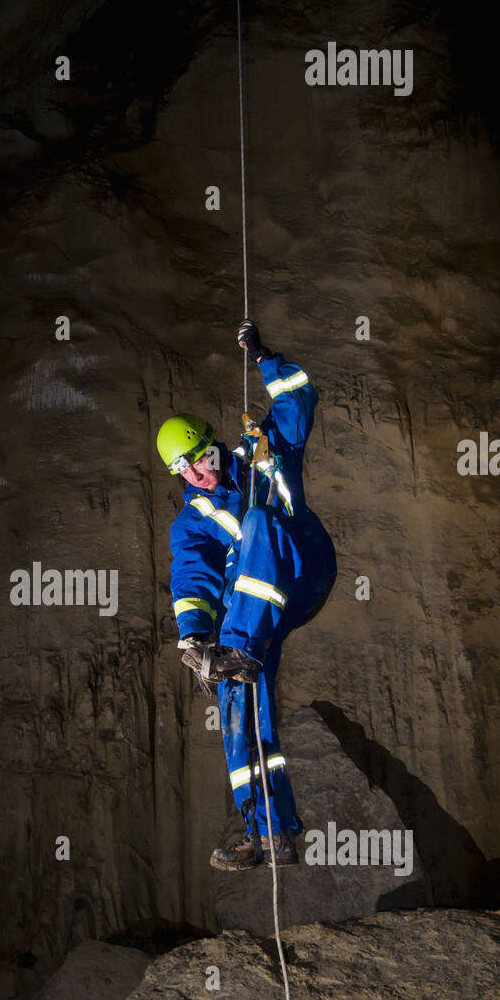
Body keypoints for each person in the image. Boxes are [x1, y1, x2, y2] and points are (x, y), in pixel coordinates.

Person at [156, 320, 336, 870]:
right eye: (185, 470)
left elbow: (299, 399)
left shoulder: (264, 454)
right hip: (259, 610)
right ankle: (269, 833)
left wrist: (264, 359)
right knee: (235, 694)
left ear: (215, 445)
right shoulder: (191, 521)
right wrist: (192, 638)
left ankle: (239, 646)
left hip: (302, 565)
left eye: (203, 459)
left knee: (258, 520)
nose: (200, 474)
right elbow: (192, 577)